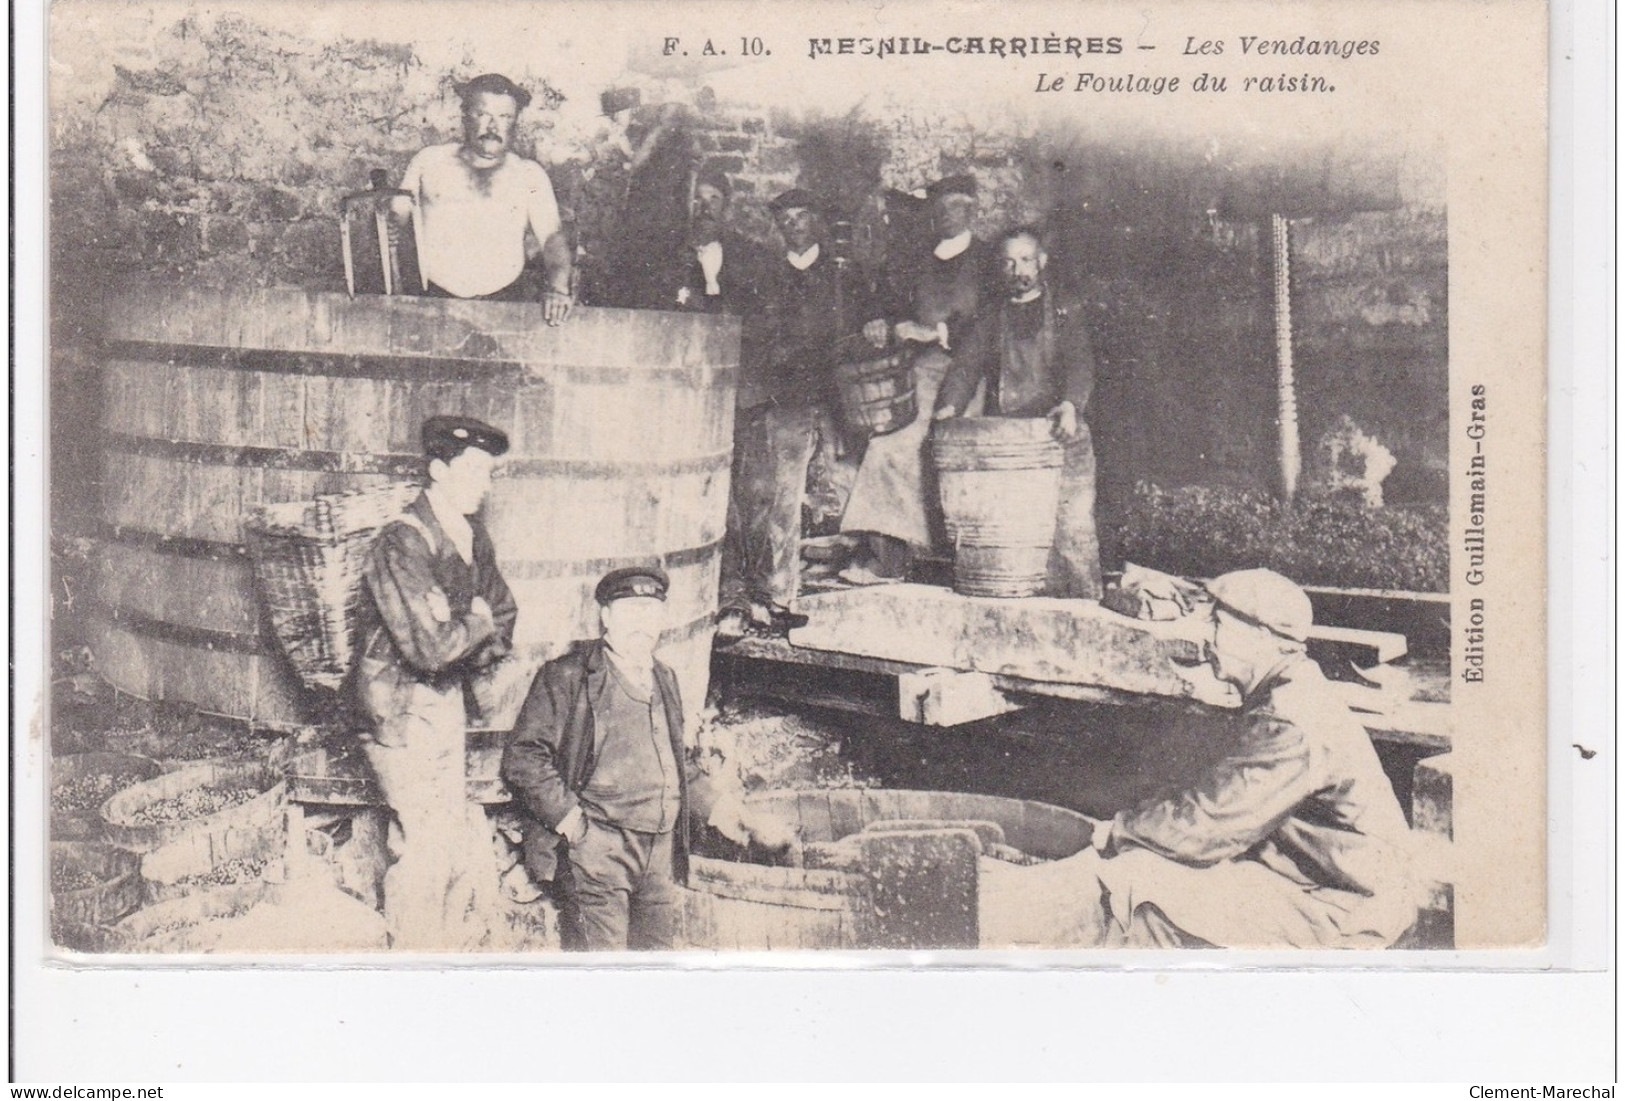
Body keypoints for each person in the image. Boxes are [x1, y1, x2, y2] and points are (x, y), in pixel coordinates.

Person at [1069, 569, 1420, 948]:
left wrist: (1115, 831)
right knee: (1146, 870)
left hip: (1345, 908)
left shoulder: (1291, 720)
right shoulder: (1293, 690)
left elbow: (1207, 828)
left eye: (1217, 622)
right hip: (1324, 881)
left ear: (1262, 636)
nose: (1208, 635)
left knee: (1137, 888)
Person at [355, 415, 518, 950]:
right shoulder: (401, 542)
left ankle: (438, 953)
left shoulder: (471, 537)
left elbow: (504, 613)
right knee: (424, 846)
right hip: (399, 713)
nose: (485, 483)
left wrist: (469, 626)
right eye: (473, 471)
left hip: (445, 704)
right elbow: (430, 647)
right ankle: (415, 961)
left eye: (489, 473)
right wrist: (474, 625)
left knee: (442, 837)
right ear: (437, 470)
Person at [500, 567, 694, 950]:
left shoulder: (665, 678)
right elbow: (523, 757)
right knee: (602, 972)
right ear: (606, 617)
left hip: (657, 852)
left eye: (651, 611)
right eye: (631, 611)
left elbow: (675, 762)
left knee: (656, 968)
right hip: (600, 849)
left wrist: (725, 809)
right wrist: (573, 823)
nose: (642, 623)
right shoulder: (568, 677)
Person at [841, 174, 995, 583]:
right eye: (940, 207)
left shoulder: (989, 260)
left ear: (973, 210)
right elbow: (891, 305)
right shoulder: (919, 259)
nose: (947, 215)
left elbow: (991, 323)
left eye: (956, 206)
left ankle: (962, 560)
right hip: (921, 371)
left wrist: (938, 332)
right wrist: (880, 320)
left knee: (952, 454)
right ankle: (888, 559)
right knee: (888, 449)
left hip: (972, 373)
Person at [715, 189, 855, 638]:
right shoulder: (766, 273)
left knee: (805, 495)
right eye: (786, 219)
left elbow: (844, 332)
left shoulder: (839, 274)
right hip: (778, 397)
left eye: (802, 216)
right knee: (768, 495)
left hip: (822, 396)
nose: (794, 225)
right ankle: (772, 595)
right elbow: (756, 330)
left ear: (815, 221)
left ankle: (782, 594)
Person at [935, 226, 1104, 598]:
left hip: (1062, 434)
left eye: (1026, 260)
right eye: (1009, 263)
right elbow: (965, 366)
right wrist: (948, 408)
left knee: (1071, 532)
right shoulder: (993, 316)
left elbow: (1080, 363)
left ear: (1042, 262)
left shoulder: (1064, 310)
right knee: (1014, 545)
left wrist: (1072, 405)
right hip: (1013, 442)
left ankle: (1082, 604)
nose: (1018, 270)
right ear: (1000, 269)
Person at [400, 73, 573, 324]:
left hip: (504, 302)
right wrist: (388, 221)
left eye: (504, 117)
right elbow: (393, 220)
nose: (492, 128)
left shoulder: (528, 175)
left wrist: (558, 289)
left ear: (514, 122)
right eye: (482, 115)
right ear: (465, 116)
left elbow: (553, 241)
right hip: (431, 301)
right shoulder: (429, 162)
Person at [670, 168, 766, 315]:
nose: (705, 209)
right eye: (697, 199)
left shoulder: (745, 253)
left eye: (714, 199)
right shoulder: (672, 250)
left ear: (725, 206)